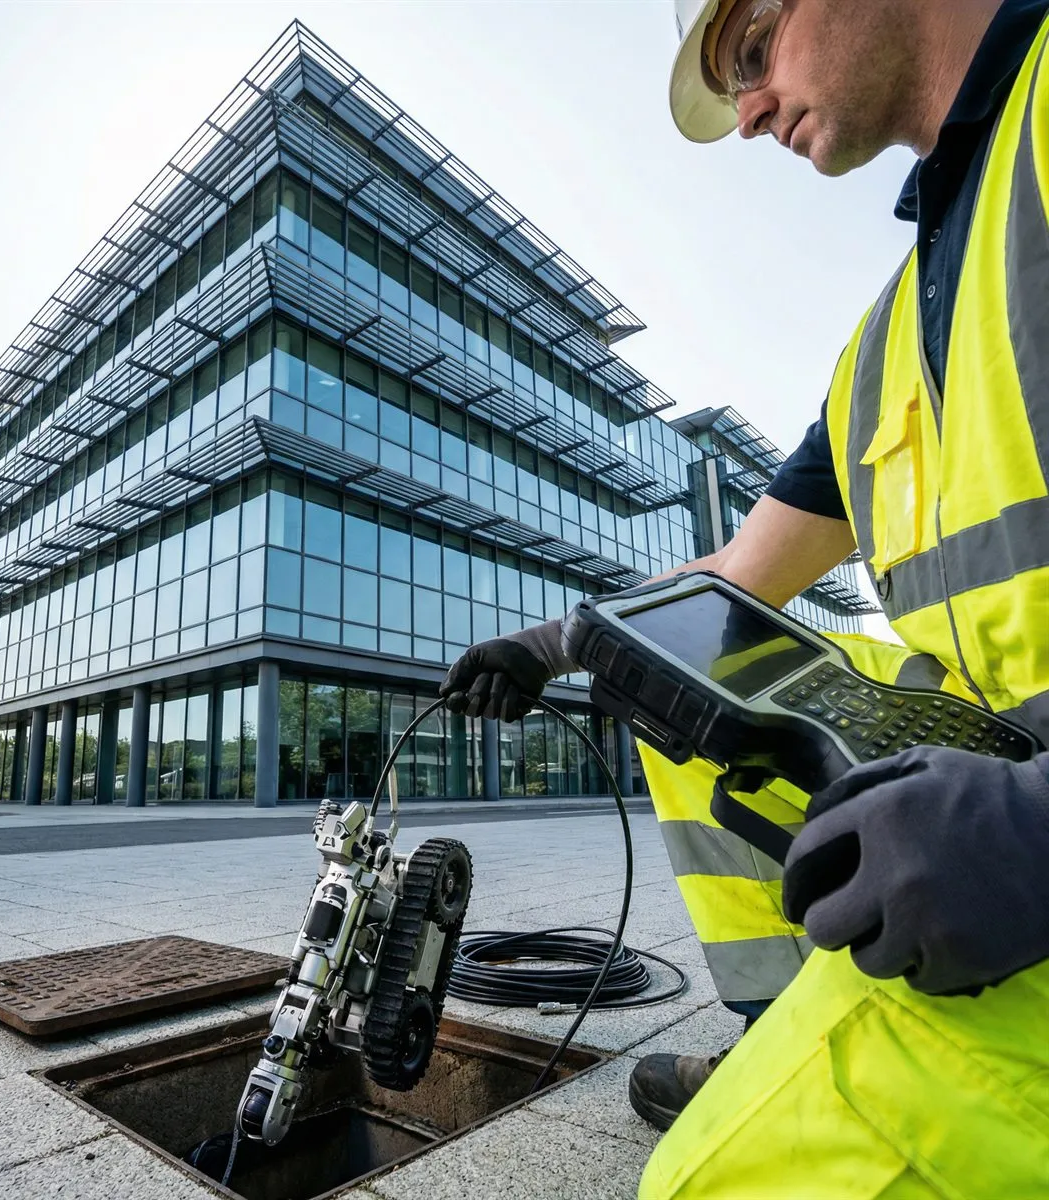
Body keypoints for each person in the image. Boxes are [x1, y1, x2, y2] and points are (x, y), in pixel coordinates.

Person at [440, 0, 1049, 1193]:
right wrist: (558, 642)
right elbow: (727, 585)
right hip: (976, 778)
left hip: (1022, 838)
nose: (747, 110)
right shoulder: (885, 340)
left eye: (754, 52)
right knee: (678, 677)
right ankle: (781, 1025)